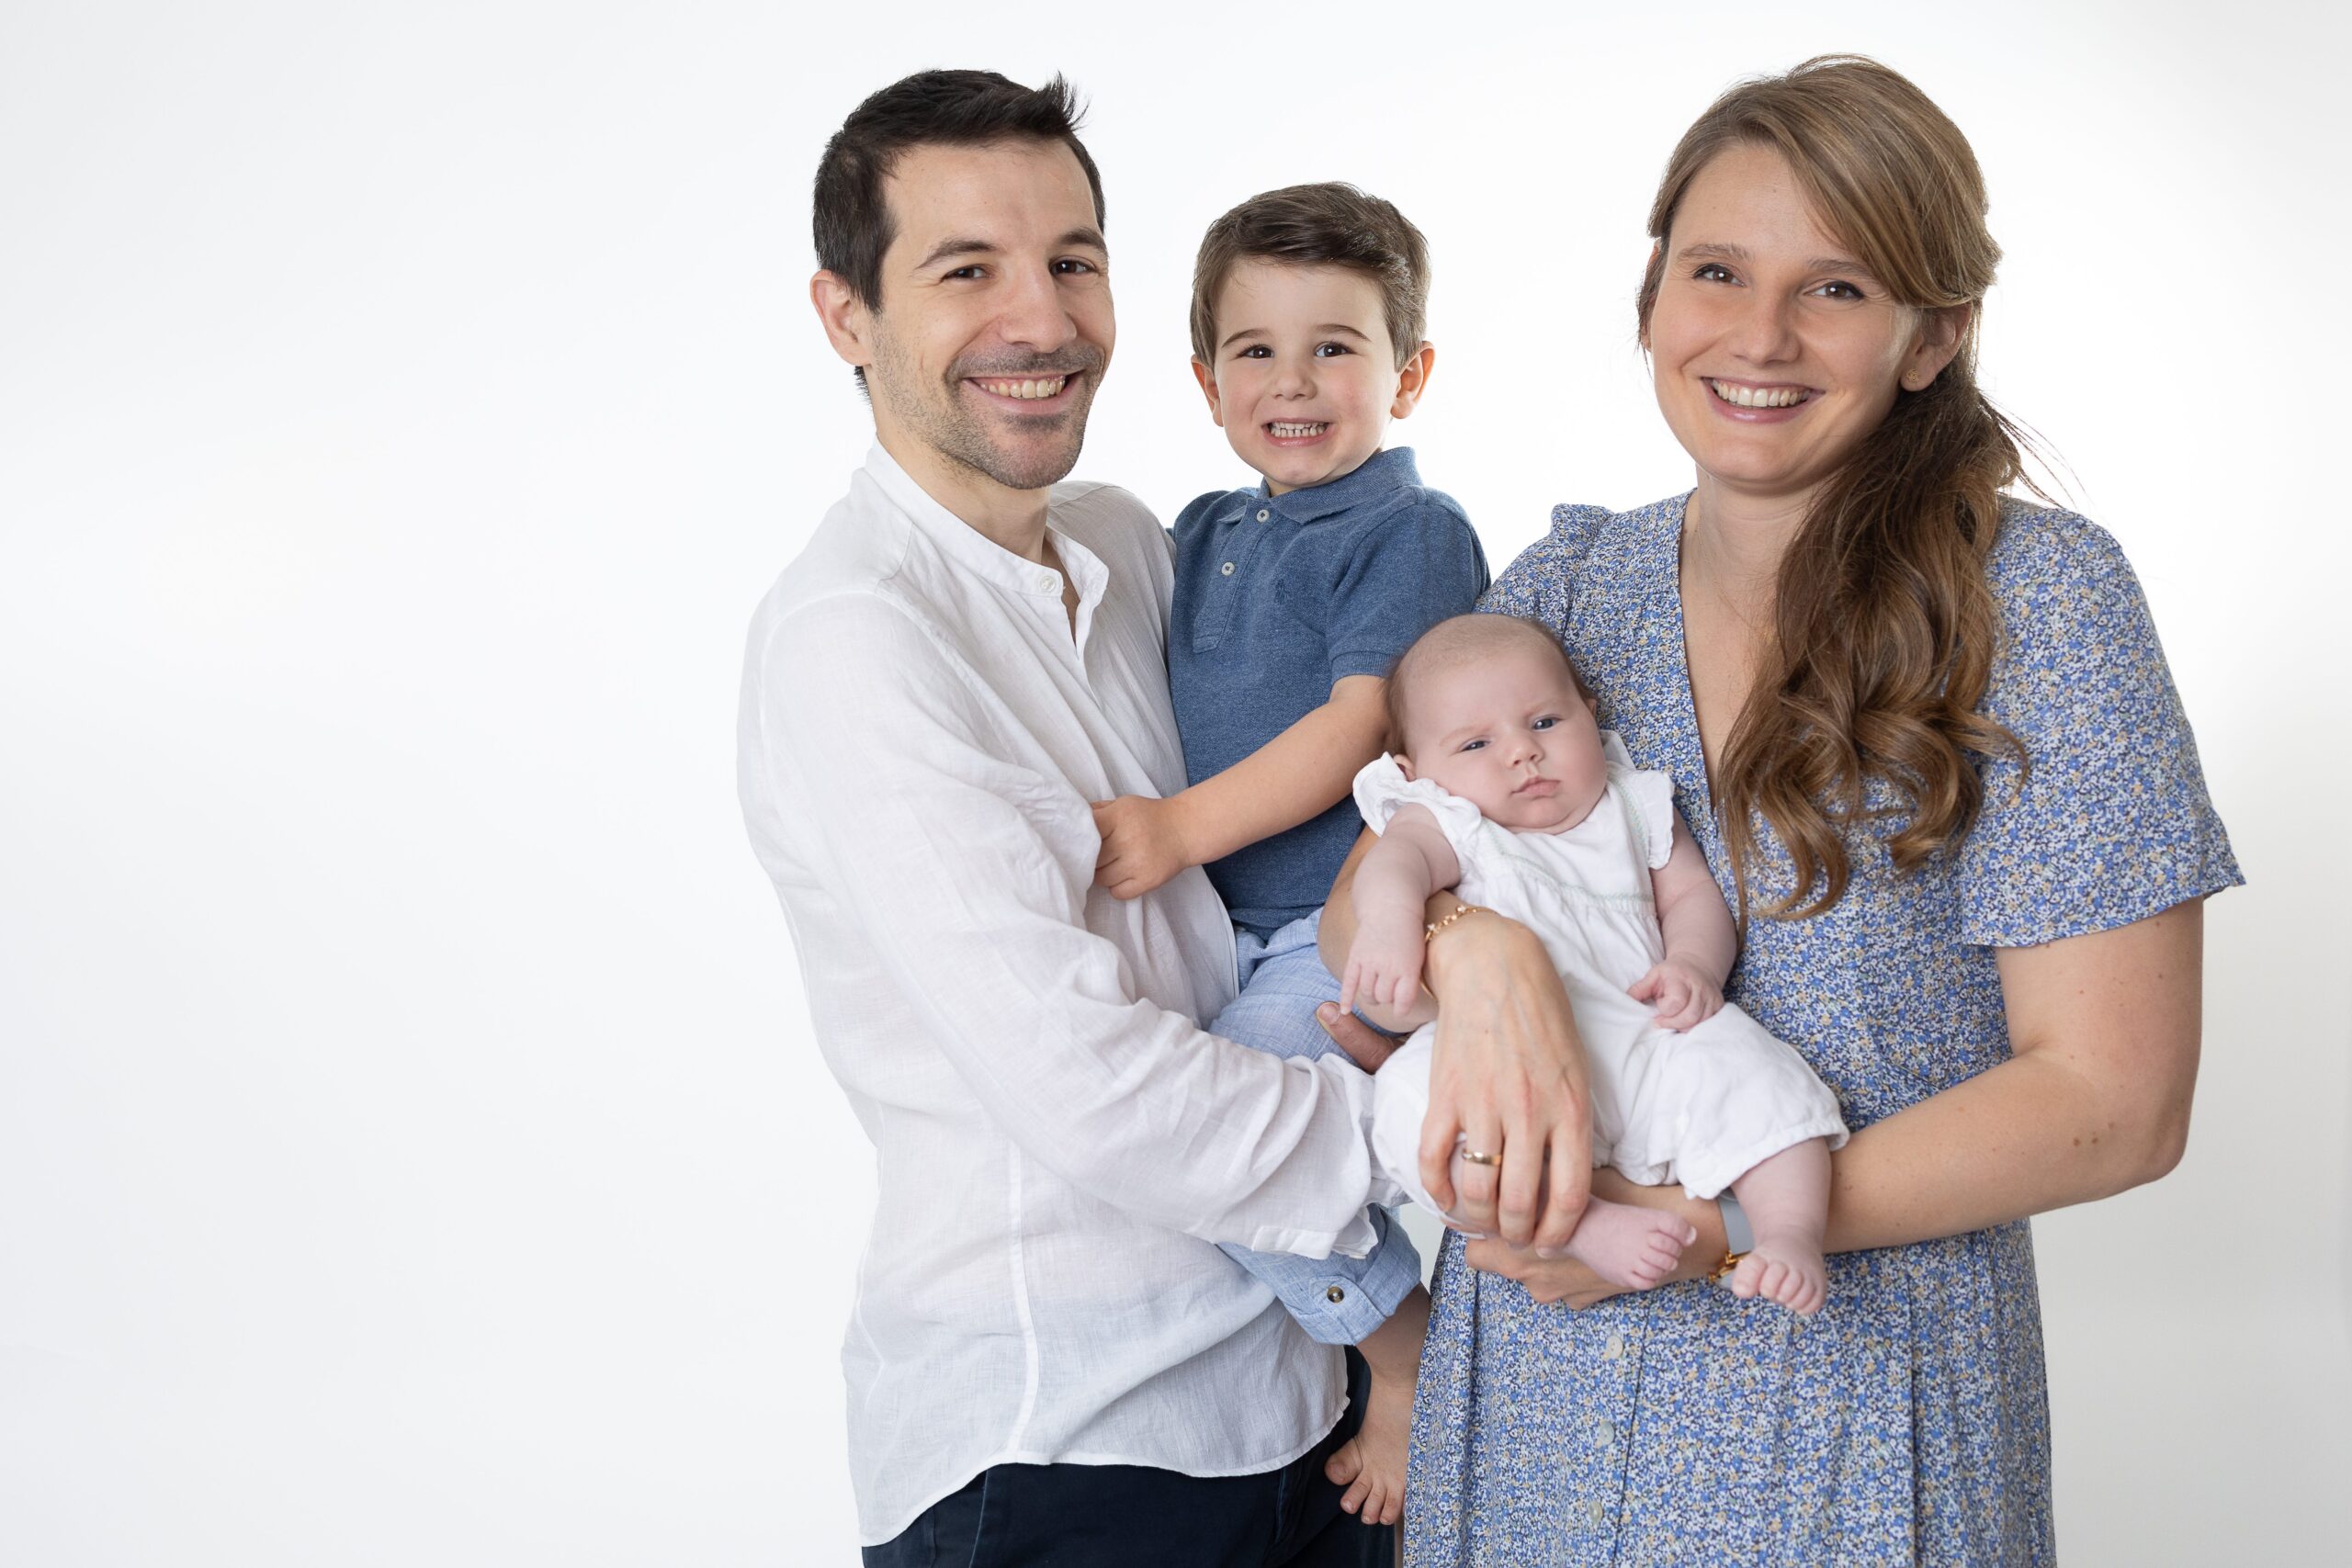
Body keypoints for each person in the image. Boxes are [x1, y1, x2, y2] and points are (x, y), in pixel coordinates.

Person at [1316, 55, 2239, 1562]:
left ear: (1932, 333)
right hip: (1541, 1410)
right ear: (1653, 296)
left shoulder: (2040, 604)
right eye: (1718, 271)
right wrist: (1480, 963)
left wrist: (1711, 1228)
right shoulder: (1562, 593)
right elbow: (1399, 866)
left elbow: (2115, 1101)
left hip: (1859, 1412)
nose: (1758, 337)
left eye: (1837, 288)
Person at [739, 69, 1425, 1566]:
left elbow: (1352, 782)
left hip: (1305, 1407)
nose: (1039, 319)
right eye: (964, 268)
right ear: (845, 316)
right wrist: (1438, 1125)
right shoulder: (854, 637)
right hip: (1064, 1442)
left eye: (1072, 261)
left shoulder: (1135, 543)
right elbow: (1091, 1088)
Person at [1090, 181, 1490, 1523]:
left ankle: (1400, 1339)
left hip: (1345, 919)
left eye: (1336, 345)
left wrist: (1179, 829)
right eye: (1255, 350)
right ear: (1205, 381)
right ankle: (1333, 1344)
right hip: (1225, 927)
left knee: (1222, 1135)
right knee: (1191, 1142)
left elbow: (1361, 719)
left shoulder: (1404, 529)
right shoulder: (1202, 531)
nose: (1294, 380)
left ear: (1409, 372)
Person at [1343, 614, 1849, 1315]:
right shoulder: (1450, 819)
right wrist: (1391, 922)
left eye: (1545, 721)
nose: (1522, 753)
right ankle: (1580, 1223)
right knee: (1405, 1103)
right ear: (1415, 772)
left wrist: (1693, 965)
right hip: (1498, 1062)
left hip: (1644, 1036)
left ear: (1591, 713)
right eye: (1477, 742)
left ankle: (1788, 1231)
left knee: (1751, 1068)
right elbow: (1395, 864)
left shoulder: (1630, 805)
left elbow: (1693, 896)